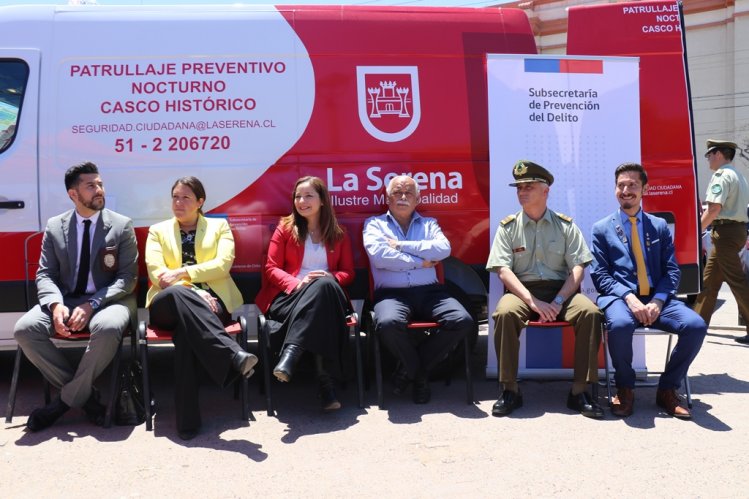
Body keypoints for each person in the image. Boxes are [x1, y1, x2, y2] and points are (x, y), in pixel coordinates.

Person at [14, 161, 137, 432]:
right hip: (67, 298)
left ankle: (61, 404)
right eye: (90, 186)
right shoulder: (55, 226)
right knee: (25, 329)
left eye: (100, 184)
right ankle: (87, 399)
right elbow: (45, 274)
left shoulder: (121, 225)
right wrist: (56, 305)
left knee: (106, 328)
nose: (99, 190)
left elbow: (127, 278)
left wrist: (92, 304)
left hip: (109, 300)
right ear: (73, 194)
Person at [487, 160, 603, 418]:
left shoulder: (566, 226)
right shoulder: (507, 227)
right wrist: (532, 302)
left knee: (591, 313)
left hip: (562, 291)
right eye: (519, 188)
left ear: (545, 191)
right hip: (521, 292)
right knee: (504, 314)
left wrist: (560, 300)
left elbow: (578, 268)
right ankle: (510, 390)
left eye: (528, 186)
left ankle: (579, 391)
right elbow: (503, 271)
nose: (522, 192)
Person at [591, 163, 707, 419]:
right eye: (621, 185)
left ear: (645, 188)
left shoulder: (659, 226)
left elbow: (672, 270)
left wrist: (658, 300)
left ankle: (667, 389)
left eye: (632, 185)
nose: (626, 190)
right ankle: (625, 387)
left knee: (696, 325)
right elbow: (600, 274)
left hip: (657, 297)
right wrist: (630, 298)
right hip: (621, 298)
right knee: (620, 325)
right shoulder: (601, 228)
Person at [145, 176, 257, 440]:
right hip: (167, 304)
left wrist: (182, 272)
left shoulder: (219, 227)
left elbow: (222, 265)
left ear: (200, 202)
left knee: (187, 335)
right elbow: (157, 274)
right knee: (177, 296)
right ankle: (232, 354)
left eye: (185, 197)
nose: (178, 203)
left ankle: (188, 422)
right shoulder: (157, 231)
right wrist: (194, 291)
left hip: (214, 304)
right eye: (175, 197)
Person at [363, 175, 473, 404]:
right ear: (387, 197)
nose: (402, 197)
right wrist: (420, 261)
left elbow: (443, 249)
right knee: (387, 325)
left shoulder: (429, 223)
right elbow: (381, 257)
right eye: (397, 192)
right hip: (391, 294)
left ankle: (410, 369)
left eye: (408, 193)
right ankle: (419, 373)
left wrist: (402, 246)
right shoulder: (374, 224)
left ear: (417, 199)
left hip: (430, 292)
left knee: (463, 320)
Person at [255, 176, 354, 411]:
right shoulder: (285, 229)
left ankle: (292, 353)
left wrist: (331, 277)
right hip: (291, 297)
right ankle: (326, 387)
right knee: (321, 301)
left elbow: (348, 273)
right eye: (298, 196)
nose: (302, 201)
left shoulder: (339, 233)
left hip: (330, 296)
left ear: (322, 200)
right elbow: (271, 268)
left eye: (308, 195)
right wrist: (298, 283)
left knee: (324, 287)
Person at [692, 139, 749, 343]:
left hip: (726, 233)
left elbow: (714, 209)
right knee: (709, 280)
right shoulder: (738, 176)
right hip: (732, 232)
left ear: (718, 154)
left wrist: (695, 230)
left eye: (709, 155)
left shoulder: (721, 175)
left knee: (737, 281)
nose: (708, 159)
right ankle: (696, 325)